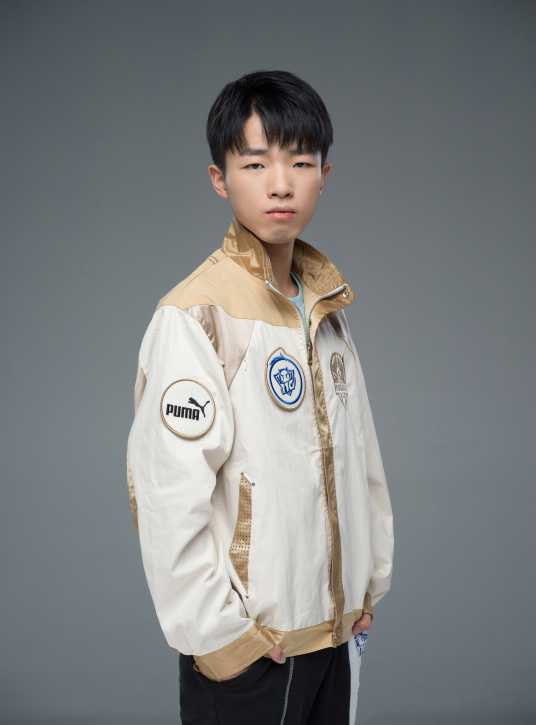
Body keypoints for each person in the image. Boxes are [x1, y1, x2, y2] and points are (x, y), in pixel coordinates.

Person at [125, 69, 395, 724]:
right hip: (254, 649)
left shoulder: (327, 309)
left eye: (300, 162)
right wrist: (220, 637)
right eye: (255, 163)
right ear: (220, 178)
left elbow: (361, 462)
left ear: (324, 174)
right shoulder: (196, 315)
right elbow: (165, 493)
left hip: (333, 636)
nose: (280, 183)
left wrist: (367, 585)